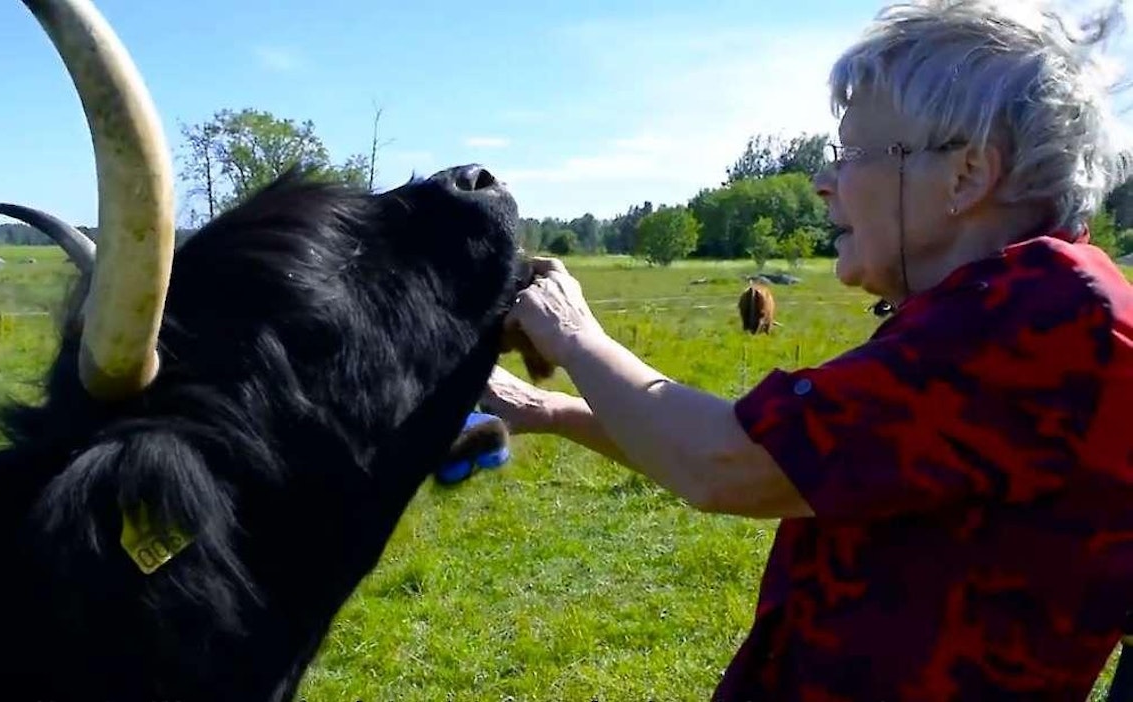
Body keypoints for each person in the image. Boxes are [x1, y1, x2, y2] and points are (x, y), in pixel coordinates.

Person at [482, 0, 1133, 699]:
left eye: (854, 154)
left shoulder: (1038, 320)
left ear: (967, 175)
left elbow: (727, 464)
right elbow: (785, 462)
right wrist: (549, 409)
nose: (825, 181)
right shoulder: (1018, 306)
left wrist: (574, 333)